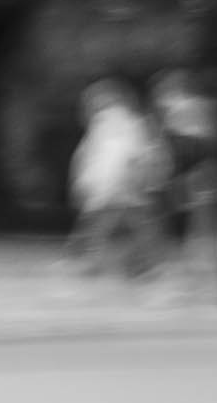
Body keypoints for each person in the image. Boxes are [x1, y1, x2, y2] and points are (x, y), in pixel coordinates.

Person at [67, 78, 172, 277]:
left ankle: (95, 262)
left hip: (111, 184)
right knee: (133, 222)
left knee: (106, 223)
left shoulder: (108, 123)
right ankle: (141, 263)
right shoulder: (132, 122)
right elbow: (140, 154)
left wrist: (86, 181)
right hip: (120, 184)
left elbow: (100, 156)